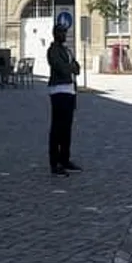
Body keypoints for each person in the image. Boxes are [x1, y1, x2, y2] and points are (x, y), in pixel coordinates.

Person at [47, 24, 82, 175]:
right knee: (57, 129)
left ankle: (65, 159)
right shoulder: (53, 50)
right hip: (58, 90)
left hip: (70, 90)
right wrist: (70, 67)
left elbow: (77, 68)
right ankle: (54, 163)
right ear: (55, 34)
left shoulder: (67, 50)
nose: (64, 35)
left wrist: (71, 67)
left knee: (67, 129)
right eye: (61, 32)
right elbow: (60, 68)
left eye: (65, 32)